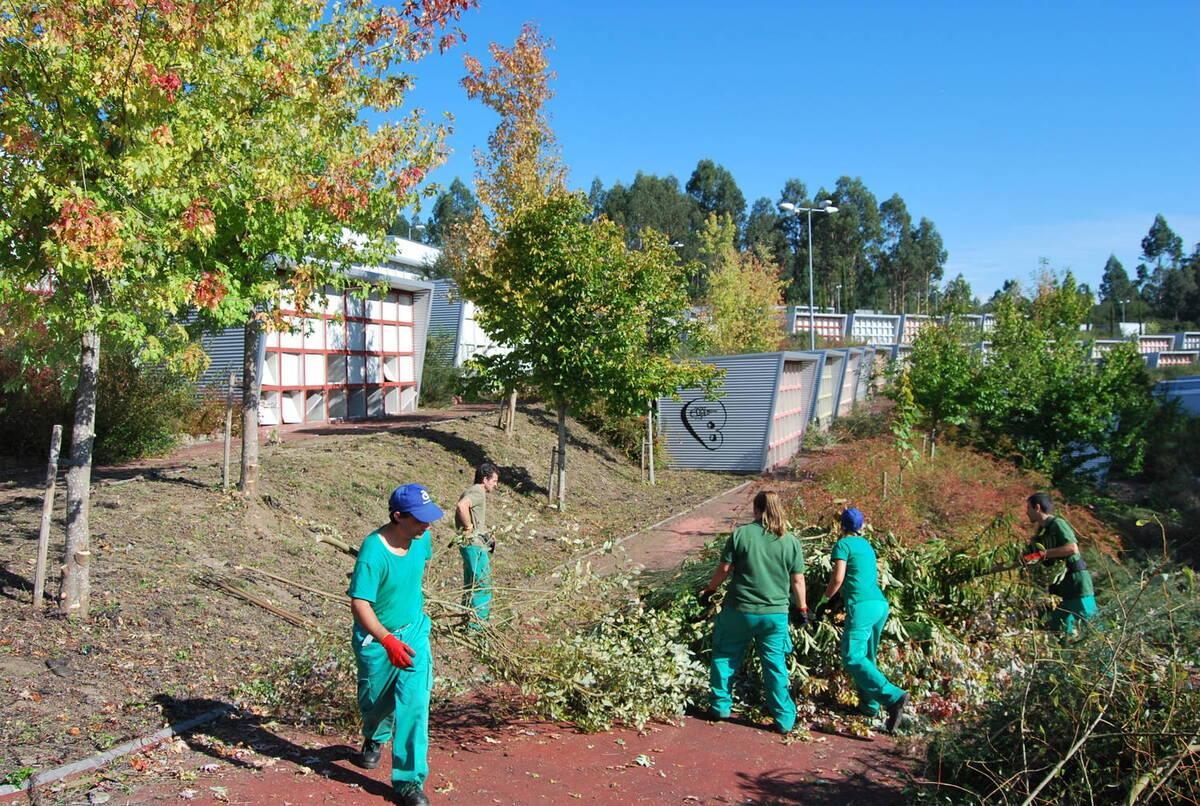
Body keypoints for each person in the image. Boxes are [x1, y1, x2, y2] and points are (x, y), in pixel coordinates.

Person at [348, 483, 444, 806]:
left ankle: (408, 782)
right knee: (375, 703)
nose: (427, 526)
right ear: (398, 516)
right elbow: (360, 604)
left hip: (414, 633)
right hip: (377, 641)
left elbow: (416, 569)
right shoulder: (373, 551)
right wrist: (386, 640)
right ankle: (374, 736)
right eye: (420, 519)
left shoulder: (422, 538)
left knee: (415, 703)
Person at [698, 490, 807, 734]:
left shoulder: (741, 534)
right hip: (775, 615)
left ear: (756, 509)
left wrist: (709, 591)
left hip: (740, 610)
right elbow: (797, 580)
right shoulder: (790, 541)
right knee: (774, 665)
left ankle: (720, 706)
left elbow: (724, 569)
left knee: (725, 655)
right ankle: (784, 719)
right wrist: (802, 609)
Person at [816, 507, 908, 733]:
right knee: (867, 656)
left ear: (840, 526)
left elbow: (838, 578)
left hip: (862, 606)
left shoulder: (843, 545)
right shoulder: (867, 545)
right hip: (880, 605)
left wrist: (823, 601)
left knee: (852, 656)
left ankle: (893, 697)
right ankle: (869, 706)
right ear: (862, 526)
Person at [1024, 491, 1096, 636]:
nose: (1026, 512)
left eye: (1028, 508)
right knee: (1058, 630)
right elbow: (1028, 556)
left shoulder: (1058, 524)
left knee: (1092, 625)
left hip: (1076, 583)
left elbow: (1072, 548)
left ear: (1037, 507)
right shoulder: (1041, 533)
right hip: (1059, 589)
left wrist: (1040, 555)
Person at [455, 462, 499, 629]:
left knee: (471, 584)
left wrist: (486, 533)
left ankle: (466, 620)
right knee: (482, 585)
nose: (496, 485)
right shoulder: (478, 492)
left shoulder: (471, 491)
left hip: (469, 543)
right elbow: (462, 506)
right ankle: (478, 627)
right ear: (485, 479)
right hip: (474, 545)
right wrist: (468, 527)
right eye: (494, 481)